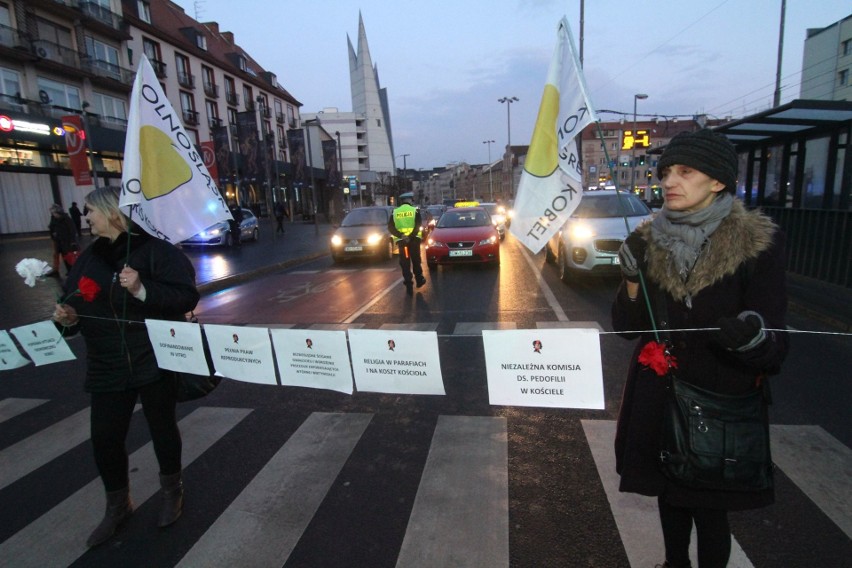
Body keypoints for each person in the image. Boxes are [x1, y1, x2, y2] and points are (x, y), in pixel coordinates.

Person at [611, 129, 789, 568]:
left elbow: (775, 342)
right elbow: (629, 329)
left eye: (685, 172)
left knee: (710, 510)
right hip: (660, 392)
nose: (669, 181)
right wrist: (632, 279)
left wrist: (752, 336)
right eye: (667, 172)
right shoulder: (649, 240)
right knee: (669, 497)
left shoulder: (756, 245)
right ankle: (675, 564)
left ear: (717, 182)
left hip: (717, 399)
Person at [51, 186, 200, 548]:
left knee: (162, 428)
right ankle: (118, 506)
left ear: (112, 213)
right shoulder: (88, 260)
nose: (85, 218)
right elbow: (73, 308)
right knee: (104, 438)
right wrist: (66, 319)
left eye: (90, 211)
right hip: (106, 364)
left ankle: (172, 491)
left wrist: (141, 290)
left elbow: (186, 295)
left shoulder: (155, 253)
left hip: (153, 358)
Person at [388, 192, 426, 295]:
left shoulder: (395, 212)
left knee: (405, 262)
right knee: (416, 260)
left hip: (402, 242)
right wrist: (411, 236)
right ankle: (419, 280)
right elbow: (418, 225)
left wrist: (401, 236)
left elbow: (390, 227)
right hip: (413, 241)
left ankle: (408, 283)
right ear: (410, 200)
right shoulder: (415, 211)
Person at [48, 203, 78, 276]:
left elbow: (72, 230)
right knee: (57, 255)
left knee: (67, 256)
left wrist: (72, 241)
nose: (53, 214)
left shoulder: (66, 219)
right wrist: (53, 234)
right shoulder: (54, 219)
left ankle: (71, 270)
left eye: (54, 213)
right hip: (58, 240)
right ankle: (56, 271)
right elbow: (51, 227)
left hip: (66, 241)